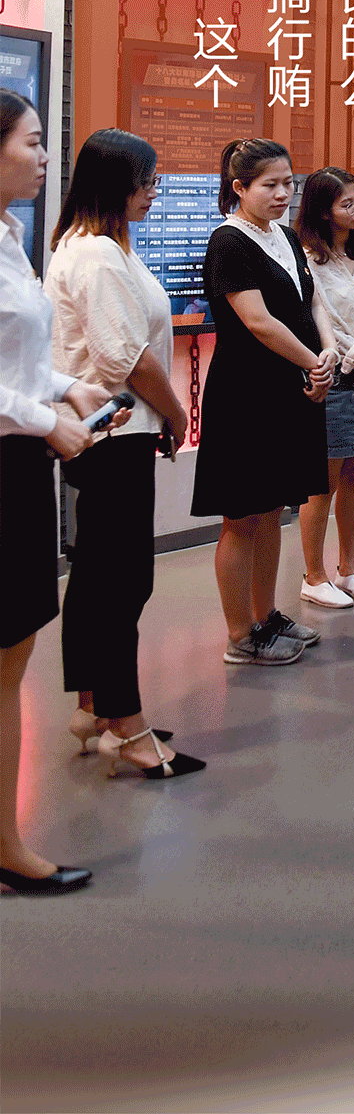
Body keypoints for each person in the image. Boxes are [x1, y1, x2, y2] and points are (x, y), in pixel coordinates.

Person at [43, 129, 205, 780]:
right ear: (116, 184)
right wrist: (178, 411)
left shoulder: (89, 247)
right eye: (147, 181)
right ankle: (128, 727)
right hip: (114, 435)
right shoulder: (99, 256)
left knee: (97, 576)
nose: (153, 192)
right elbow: (126, 358)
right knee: (122, 582)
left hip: (108, 434)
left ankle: (95, 709)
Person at [0, 93, 124, 893]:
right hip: (8, 459)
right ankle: (6, 848)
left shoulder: (10, 236)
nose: (47, 157)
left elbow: (13, 360)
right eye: (33, 142)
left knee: (10, 659)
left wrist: (65, 388)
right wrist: (50, 422)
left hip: (18, 465)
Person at [191, 139, 337, 664]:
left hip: (290, 392)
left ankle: (266, 615)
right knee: (242, 517)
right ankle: (240, 635)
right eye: (269, 185)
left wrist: (327, 352)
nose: (282, 194)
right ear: (240, 187)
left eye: (288, 183)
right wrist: (313, 362)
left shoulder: (285, 236)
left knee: (273, 510)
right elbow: (258, 322)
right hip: (246, 397)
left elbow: (312, 300)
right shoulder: (228, 242)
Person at [295, 169, 354, 608]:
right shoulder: (308, 262)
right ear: (323, 211)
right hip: (334, 379)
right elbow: (324, 322)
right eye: (346, 203)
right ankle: (313, 576)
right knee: (323, 483)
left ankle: (348, 570)